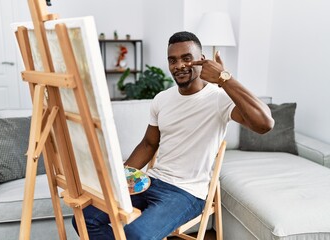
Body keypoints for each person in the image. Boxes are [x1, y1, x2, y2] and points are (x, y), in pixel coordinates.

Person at [72, 31, 274, 240]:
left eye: (187, 58)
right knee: (85, 217)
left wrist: (225, 79)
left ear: (201, 60)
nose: (179, 65)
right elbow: (149, 144)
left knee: (135, 235)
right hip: (152, 181)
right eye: (173, 60)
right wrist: (121, 177)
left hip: (186, 193)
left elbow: (265, 124)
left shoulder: (218, 99)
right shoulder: (162, 99)